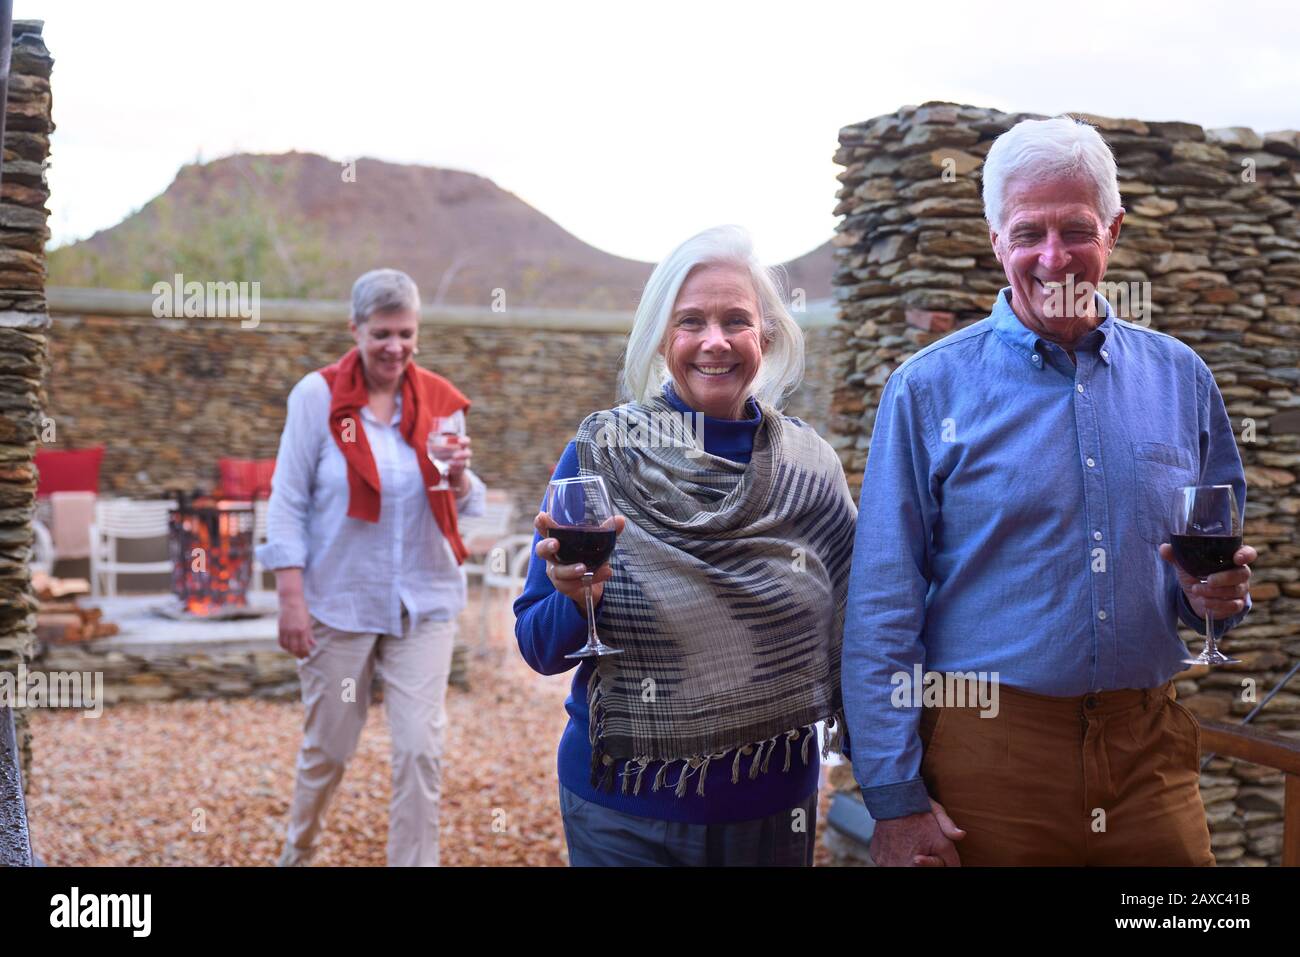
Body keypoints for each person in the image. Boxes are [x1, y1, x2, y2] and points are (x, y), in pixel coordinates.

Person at [841, 116, 1255, 866]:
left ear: (1115, 230)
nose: (1054, 257)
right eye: (1029, 231)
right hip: (988, 757)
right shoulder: (927, 389)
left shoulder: (1181, 378)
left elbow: (1208, 568)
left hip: (1149, 752)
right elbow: (880, 609)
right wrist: (895, 801)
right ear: (996, 238)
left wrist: (1212, 599)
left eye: (1078, 229)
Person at [514, 225, 857, 866]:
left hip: (770, 806)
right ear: (661, 336)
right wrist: (575, 601)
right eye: (690, 321)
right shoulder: (603, 455)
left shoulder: (811, 470)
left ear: (768, 336)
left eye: (737, 321)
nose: (715, 342)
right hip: (624, 810)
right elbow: (538, 647)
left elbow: (863, 625)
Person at [258, 268, 486, 866]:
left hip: (425, 600)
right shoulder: (317, 397)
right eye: (382, 332)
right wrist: (290, 598)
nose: (396, 347)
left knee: (419, 748)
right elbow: (287, 500)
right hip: (341, 601)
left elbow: (467, 498)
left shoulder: (440, 402)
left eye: (406, 333)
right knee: (329, 748)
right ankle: (298, 853)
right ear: (355, 329)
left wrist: (459, 476)